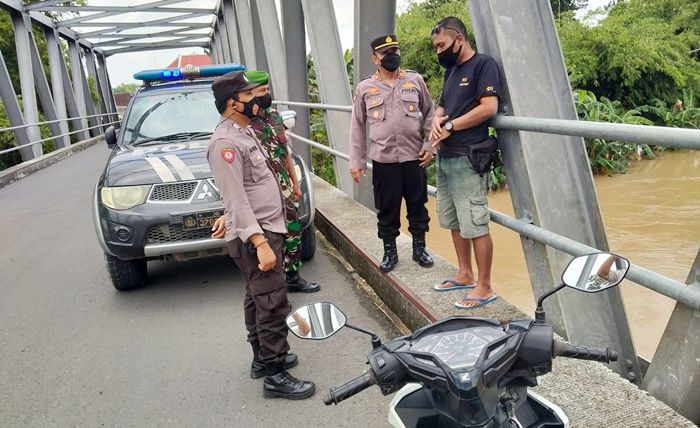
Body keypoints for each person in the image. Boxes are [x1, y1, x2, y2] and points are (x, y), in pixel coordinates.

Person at [207, 70, 315, 400]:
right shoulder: (225, 143)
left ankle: (260, 359)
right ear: (231, 103)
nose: (256, 100)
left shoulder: (244, 132)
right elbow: (235, 197)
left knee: (257, 296)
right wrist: (259, 242)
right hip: (260, 234)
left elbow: (244, 191)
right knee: (272, 302)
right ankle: (275, 372)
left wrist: (232, 218)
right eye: (249, 96)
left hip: (268, 225)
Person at [212, 71, 321, 293]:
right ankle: (280, 280)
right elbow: (234, 186)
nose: (260, 96)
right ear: (234, 103)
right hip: (262, 210)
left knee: (293, 232)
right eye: (253, 93)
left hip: (283, 189)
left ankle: (291, 276)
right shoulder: (237, 131)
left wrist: (295, 182)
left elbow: (285, 152)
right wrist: (229, 214)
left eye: (262, 91)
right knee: (270, 295)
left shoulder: (270, 118)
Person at [429, 17, 500, 310]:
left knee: (475, 222)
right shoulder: (453, 71)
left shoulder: (483, 65)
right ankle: (465, 273)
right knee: (455, 221)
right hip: (446, 156)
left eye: (442, 45)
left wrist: (452, 126)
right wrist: (436, 118)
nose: (438, 52)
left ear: (459, 38)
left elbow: (489, 107)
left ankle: (484, 287)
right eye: (435, 48)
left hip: (469, 156)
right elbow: (443, 105)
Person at [350, 34, 436, 273]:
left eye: (395, 50)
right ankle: (390, 251)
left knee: (418, 205)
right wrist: (356, 161)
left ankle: (420, 248)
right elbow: (357, 125)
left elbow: (431, 114)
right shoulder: (366, 87)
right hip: (384, 160)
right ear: (375, 58)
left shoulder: (414, 80)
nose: (392, 56)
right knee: (387, 208)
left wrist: (430, 146)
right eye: (386, 53)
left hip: (414, 157)